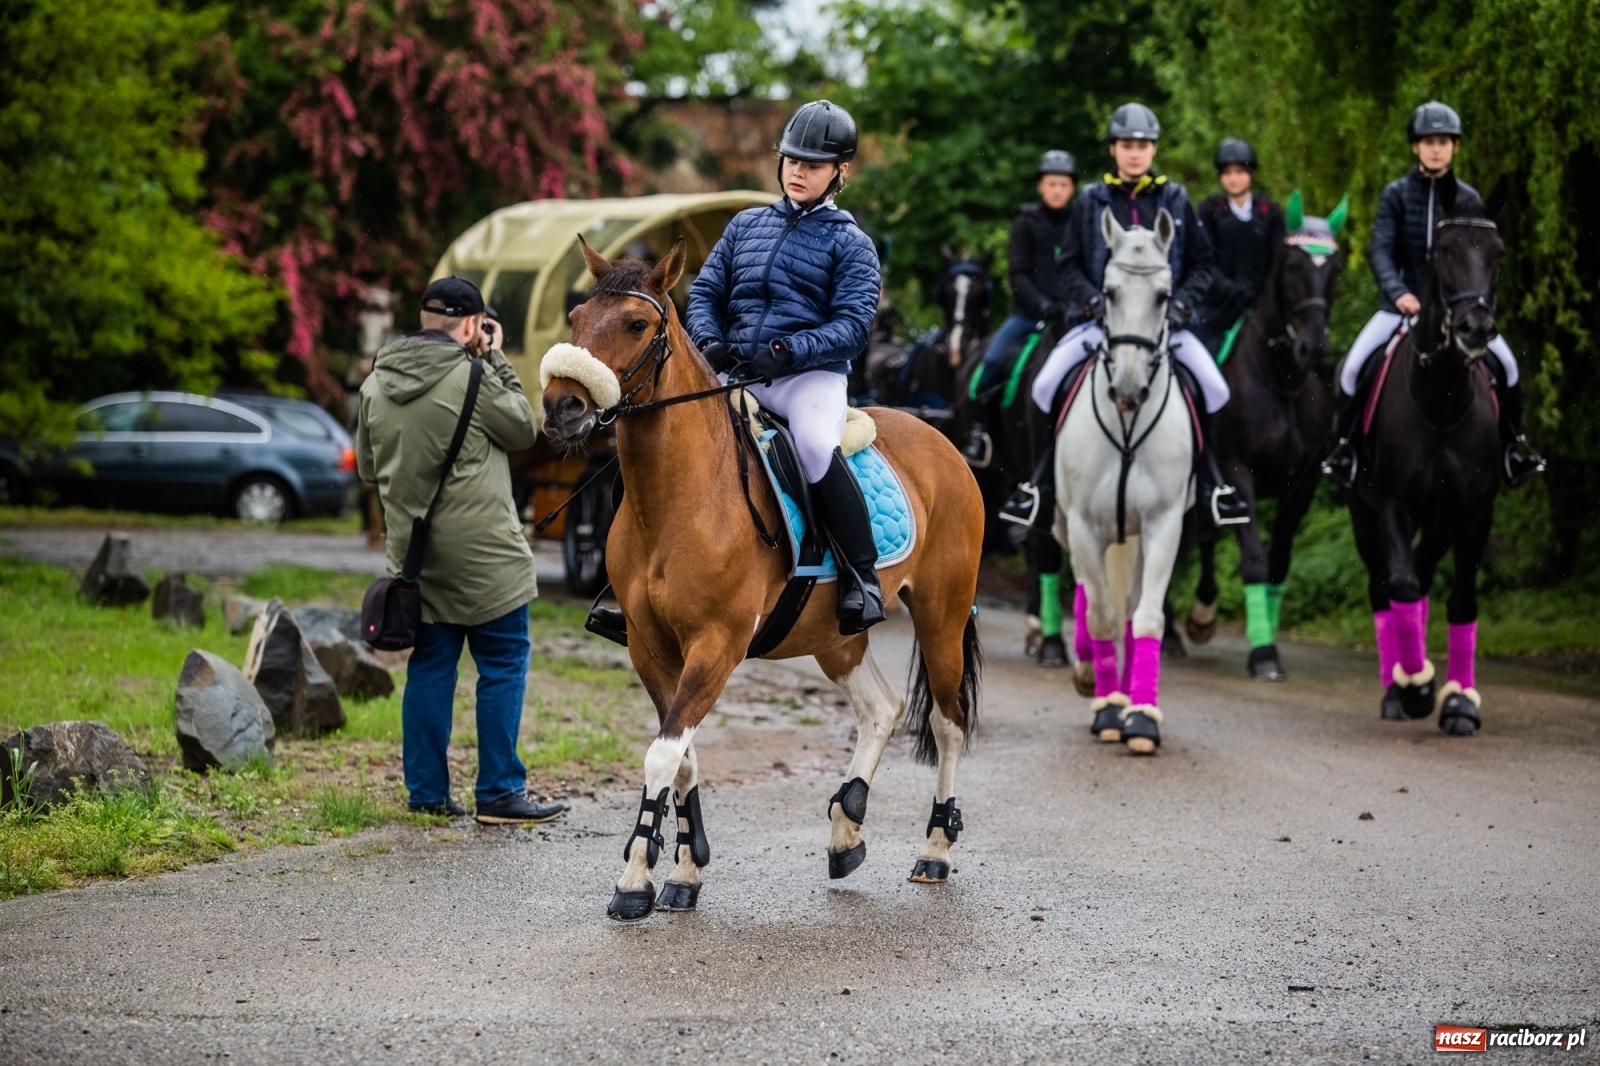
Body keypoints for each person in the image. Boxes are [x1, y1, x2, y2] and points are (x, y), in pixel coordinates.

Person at [356, 276, 568, 825]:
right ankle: (498, 793)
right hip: (487, 559)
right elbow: (523, 430)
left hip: (415, 559)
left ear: (425, 317)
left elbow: (368, 468)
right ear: (472, 325)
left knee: (430, 668)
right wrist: (494, 357)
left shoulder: (375, 383)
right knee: (502, 663)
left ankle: (427, 794)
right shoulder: (474, 375)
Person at [687, 99, 885, 633]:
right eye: (792, 160)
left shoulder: (852, 244)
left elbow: (853, 327)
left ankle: (861, 576)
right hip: (735, 369)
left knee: (816, 446)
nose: (798, 171)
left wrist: (788, 351)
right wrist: (709, 341)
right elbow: (704, 293)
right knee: (668, 431)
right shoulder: (744, 225)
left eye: (812, 165)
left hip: (807, 378)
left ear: (840, 171)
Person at [1003, 102, 1248, 529]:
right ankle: (1041, 486)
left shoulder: (1176, 198)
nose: (1135, 153)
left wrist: (1180, 305)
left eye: (1143, 145)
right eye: (1127, 145)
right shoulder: (1090, 199)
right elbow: (1069, 264)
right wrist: (1093, 301)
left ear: (1153, 150)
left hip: (1164, 326)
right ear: (1113, 149)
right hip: (1101, 325)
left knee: (1216, 389)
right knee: (1043, 385)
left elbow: (1202, 265)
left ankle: (1213, 486)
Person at [1323, 101, 1545, 488]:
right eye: (1428, 142)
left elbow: (1478, 257)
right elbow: (1380, 250)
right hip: (1401, 308)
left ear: (1455, 147)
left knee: (1509, 367)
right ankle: (1346, 451)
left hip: (1459, 311)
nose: (1436, 149)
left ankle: (1513, 450)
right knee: (1353, 368)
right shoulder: (1395, 195)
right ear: (1415, 147)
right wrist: (1398, 293)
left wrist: (1476, 302)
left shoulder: (1469, 199)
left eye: (1444, 142)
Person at [963, 149, 1079, 462]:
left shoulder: (1080, 224)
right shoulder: (1026, 222)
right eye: (1051, 184)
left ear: (1072, 189)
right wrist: (1042, 304)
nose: (1057, 190)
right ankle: (979, 431)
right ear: (1041, 187)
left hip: (1072, 317)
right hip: (1028, 315)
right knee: (991, 362)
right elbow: (1018, 273)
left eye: (1063, 185)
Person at [1193, 138, 1286, 356]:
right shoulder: (1209, 211)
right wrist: (1230, 290)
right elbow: (1203, 259)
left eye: (1240, 172)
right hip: (1219, 306)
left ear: (1251, 174)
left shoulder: (1270, 213)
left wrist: (1260, 292)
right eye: (1227, 173)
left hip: (1261, 304)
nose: (1233, 179)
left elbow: (1279, 260)